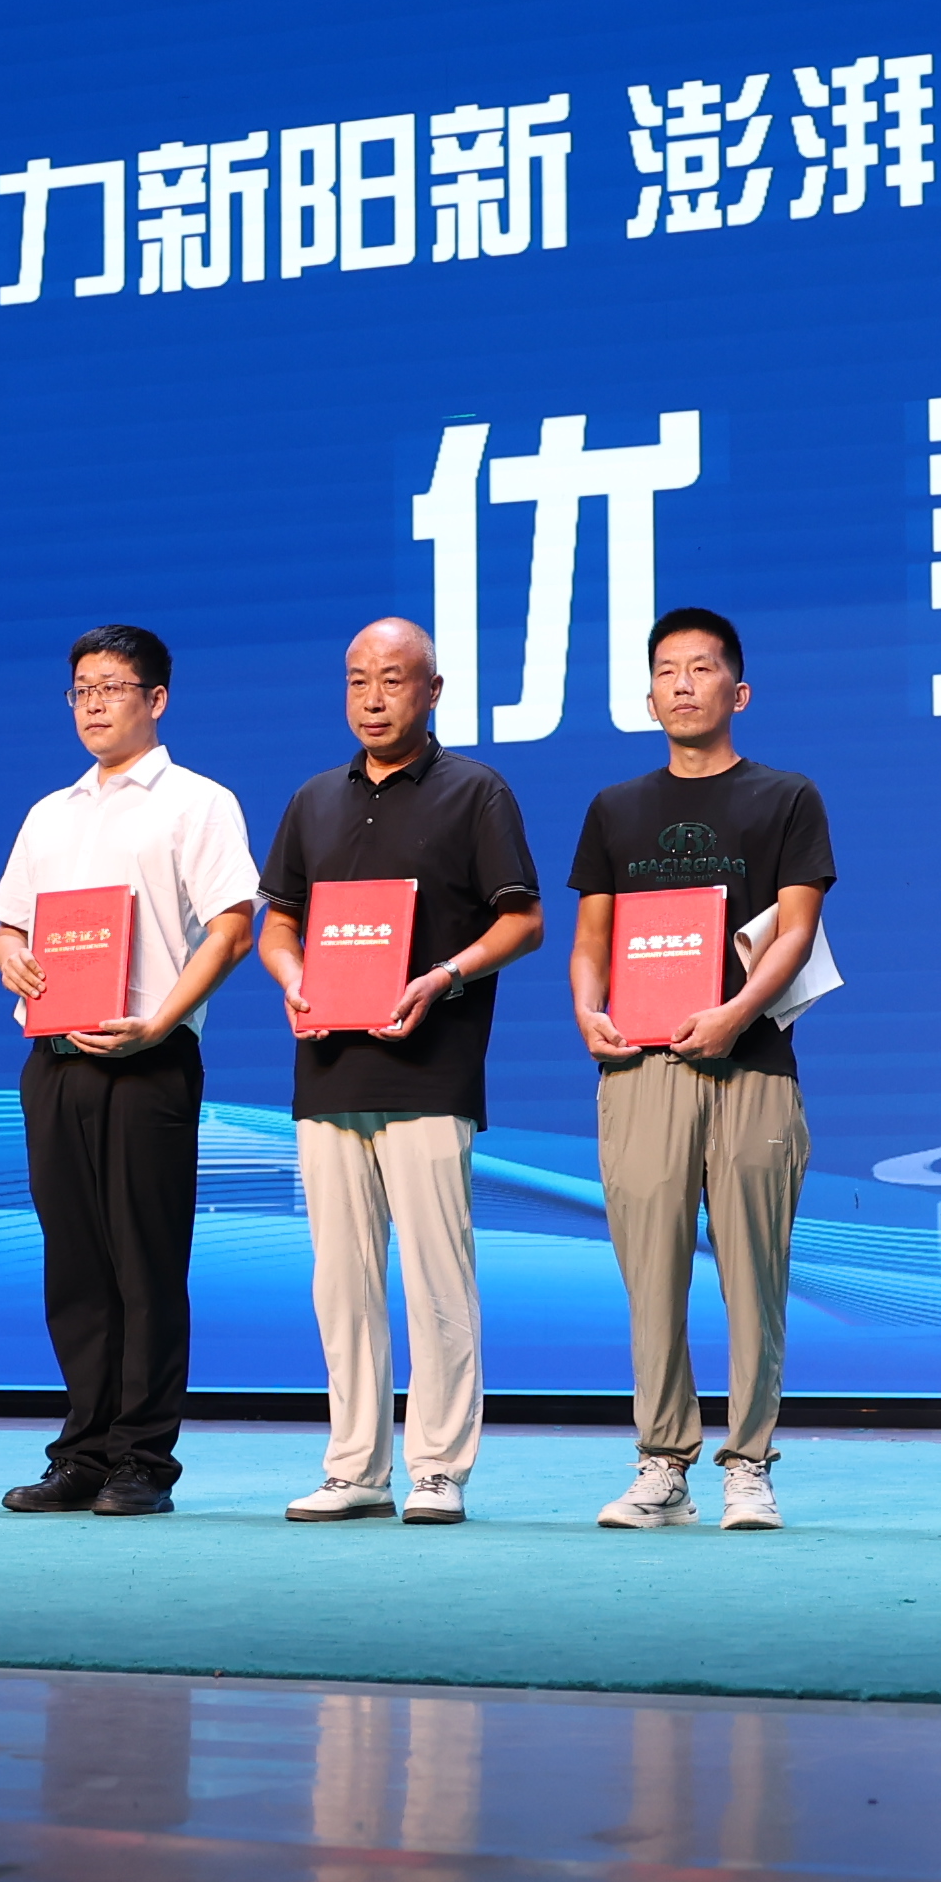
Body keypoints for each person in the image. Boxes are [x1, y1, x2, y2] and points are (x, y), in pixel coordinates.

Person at [255, 618, 545, 1525]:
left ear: (433, 690)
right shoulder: (313, 799)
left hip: (430, 1071)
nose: (372, 699)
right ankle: (354, 1467)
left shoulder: (476, 792)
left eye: (392, 680)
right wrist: (293, 979)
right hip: (328, 1071)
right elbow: (279, 923)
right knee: (340, 1282)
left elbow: (523, 921)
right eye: (357, 681)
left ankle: (439, 1468)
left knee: (437, 1279)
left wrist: (443, 976)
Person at [568, 608, 834, 1533]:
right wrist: (588, 1010)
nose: (683, 684)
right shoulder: (615, 809)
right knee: (651, 1272)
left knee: (755, 1272)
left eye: (702, 668)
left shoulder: (786, 796)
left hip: (752, 1062)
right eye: (667, 672)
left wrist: (733, 1014)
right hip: (641, 1069)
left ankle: (750, 1464)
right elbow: (592, 940)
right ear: (649, 698)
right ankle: (663, 1462)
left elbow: (796, 929)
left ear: (739, 691)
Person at [0, 626, 260, 1518]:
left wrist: (162, 1021)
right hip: (54, 1061)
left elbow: (233, 929)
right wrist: (12, 957)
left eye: (112, 686)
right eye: (81, 689)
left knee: (145, 1265)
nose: (94, 704)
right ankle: (83, 1453)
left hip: (148, 1061)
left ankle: (143, 1459)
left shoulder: (197, 803)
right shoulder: (50, 812)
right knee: (73, 1266)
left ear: (157, 699)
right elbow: (9, 928)